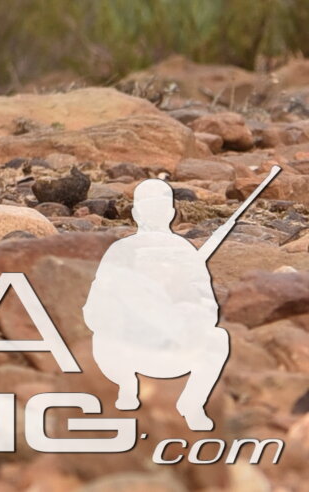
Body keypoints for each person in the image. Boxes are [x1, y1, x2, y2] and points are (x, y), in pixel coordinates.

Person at [81, 175, 234, 427]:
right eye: (148, 207)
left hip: (174, 345)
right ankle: (127, 387)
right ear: (136, 212)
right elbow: (95, 308)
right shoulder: (121, 250)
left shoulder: (184, 251)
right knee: (100, 338)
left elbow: (208, 307)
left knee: (218, 339)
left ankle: (192, 404)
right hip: (127, 348)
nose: (155, 213)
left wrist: (185, 311)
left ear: (172, 212)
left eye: (161, 207)